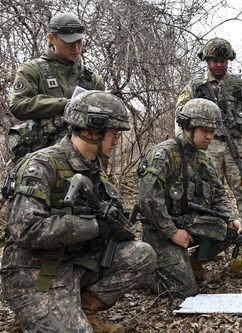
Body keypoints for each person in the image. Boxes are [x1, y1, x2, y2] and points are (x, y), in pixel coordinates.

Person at [0, 90, 156, 332]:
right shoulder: (42, 165)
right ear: (91, 131)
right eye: (114, 134)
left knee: (142, 254)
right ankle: (33, 314)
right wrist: (92, 227)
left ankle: (83, 310)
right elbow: (26, 230)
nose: (116, 141)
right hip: (37, 272)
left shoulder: (94, 167)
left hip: (74, 262)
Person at [138, 98, 242, 298]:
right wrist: (172, 232)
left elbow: (218, 193)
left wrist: (231, 216)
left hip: (190, 225)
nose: (210, 137)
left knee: (231, 230)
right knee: (185, 291)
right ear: (188, 127)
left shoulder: (203, 158)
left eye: (213, 132)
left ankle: (194, 266)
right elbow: (148, 199)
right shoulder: (164, 154)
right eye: (205, 131)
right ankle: (143, 275)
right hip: (161, 232)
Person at [176, 38, 242, 255]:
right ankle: (213, 240)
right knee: (206, 193)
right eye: (214, 60)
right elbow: (181, 115)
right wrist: (185, 143)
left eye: (223, 60)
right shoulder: (195, 86)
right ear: (207, 61)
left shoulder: (238, 85)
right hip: (206, 148)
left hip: (235, 146)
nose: (219, 64)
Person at [9, 12, 105, 163]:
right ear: (52, 38)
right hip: (40, 161)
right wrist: (65, 104)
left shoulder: (91, 78)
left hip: (83, 162)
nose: (76, 47)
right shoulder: (32, 70)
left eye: (79, 41)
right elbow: (18, 106)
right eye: (69, 42)